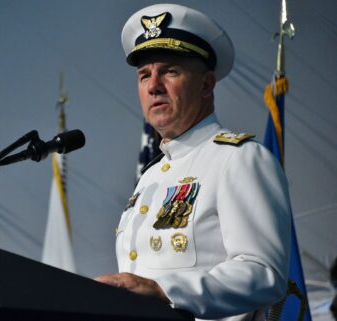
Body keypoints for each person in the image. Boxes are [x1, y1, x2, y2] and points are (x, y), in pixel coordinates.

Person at [95, 4, 291, 321]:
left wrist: (164, 290)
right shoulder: (150, 177)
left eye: (170, 71)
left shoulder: (239, 158)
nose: (153, 85)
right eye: (144, 75)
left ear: (206, 84)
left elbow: (264, 272)